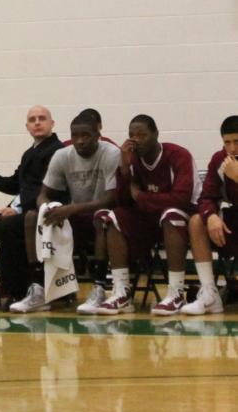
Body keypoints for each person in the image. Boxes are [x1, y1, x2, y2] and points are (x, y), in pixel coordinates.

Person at [9, 110, 119, 313]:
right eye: (75, 136)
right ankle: (38, 289)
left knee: (101, 218)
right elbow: (44, 193)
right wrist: (47, 208)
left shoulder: (111, 153)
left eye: (85, 136)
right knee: (33, 216)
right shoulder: (62, 155)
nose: (79, 141)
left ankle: (99, 288)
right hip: (74, 217)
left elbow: (111, 199)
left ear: (98, 135)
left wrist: (71, 209)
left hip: (104, 216)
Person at [88, 115, 196, 315]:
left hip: (182, 219)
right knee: (114, 216)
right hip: (148, 219)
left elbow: (181, 199)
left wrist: (142, 197)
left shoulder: (178, 155)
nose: (135, 139)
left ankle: (176, 292)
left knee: (171, 215)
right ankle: (121, 292)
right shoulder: (132, 159)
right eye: (131, 135)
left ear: (155, 134)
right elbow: (124, 202)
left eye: (142, 134)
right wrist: (125, 169)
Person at [0, 104, 63, 309]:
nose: (37, 122)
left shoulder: (56, 151)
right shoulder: (28, 153)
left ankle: (14, 292)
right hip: (22, 211)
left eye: (42, 118)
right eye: (32, 120)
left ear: (52, 123)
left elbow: (47, 189)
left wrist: (17, 209)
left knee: (8, 226)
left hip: (40, 214)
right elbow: (14, 184)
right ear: (27, 126)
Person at [182, 115, 238, 315]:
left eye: (237, 142)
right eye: (227, 142)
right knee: (197, 220)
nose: (232, 148)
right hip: (233, 220)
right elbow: (206, 197)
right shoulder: (219, 159)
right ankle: (210, 294)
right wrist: (211, 216)